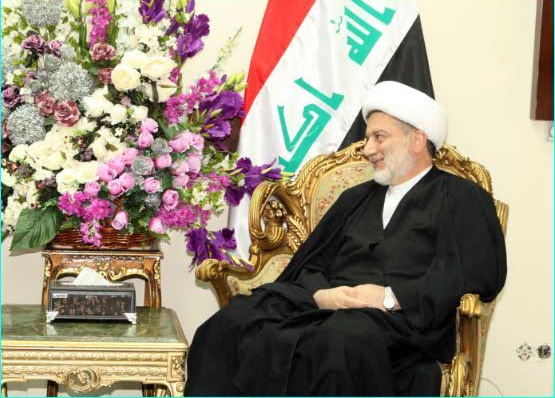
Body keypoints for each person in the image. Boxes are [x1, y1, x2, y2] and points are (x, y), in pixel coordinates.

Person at [184, 81, 507, 396]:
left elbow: (477, 272)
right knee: (230, 322)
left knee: (338, 341)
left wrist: (389, 297)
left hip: (404, 322)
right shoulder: (355, 198)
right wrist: (322, 296)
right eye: (367, 138)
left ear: (417, 140)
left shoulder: (460, 196)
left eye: (379, 137)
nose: (368, 150)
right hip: (330, 310)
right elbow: (310, 264)